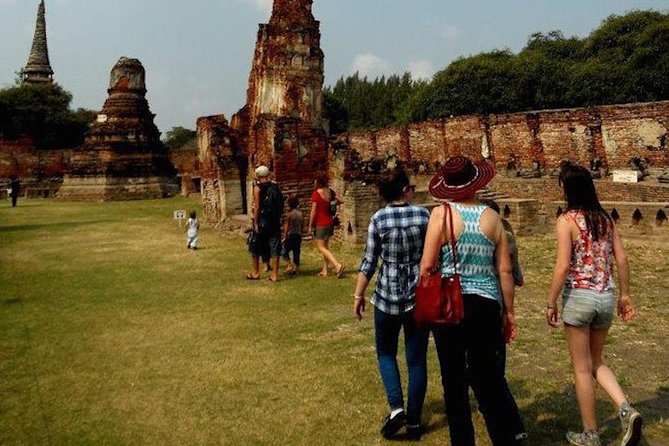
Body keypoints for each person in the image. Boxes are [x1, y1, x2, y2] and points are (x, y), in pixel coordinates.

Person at [420, 155, 521, 446]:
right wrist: (509, 312)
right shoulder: (492, 218)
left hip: (450, 305)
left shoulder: (442, 215)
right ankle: (505, 438)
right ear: (475, 183)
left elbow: (427, 266)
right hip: (486, 304)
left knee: (454, 382)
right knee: (487, 380)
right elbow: (504, 270)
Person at [547, 162, 642, 446]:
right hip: (604, 298)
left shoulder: (566, 221)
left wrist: (550, 301)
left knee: (581, 368)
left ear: (568, 190)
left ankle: (590, 433)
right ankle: (627, 409)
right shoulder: (604, 219)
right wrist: (625, 296)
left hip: (578, 298)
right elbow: (622, 259)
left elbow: (563, 266)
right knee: (596, 361)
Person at [353, 168, 430, 440]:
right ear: (404, 190)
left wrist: (358, 295)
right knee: (416, 360)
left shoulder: (378, 219)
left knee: (386, 352)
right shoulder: (423, 215)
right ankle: (414, 421)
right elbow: (433, 257)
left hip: (387, 296)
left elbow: (369, 262)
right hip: (417, 297)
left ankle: (397, 408)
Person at [247, 165, 284, 282]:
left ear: (258, 175)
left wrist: (256, 223)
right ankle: (274, 274)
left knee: (255, 246)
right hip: (275, 220)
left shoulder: (258, 188)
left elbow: (257, 207)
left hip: (263, 221)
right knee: (275, 246)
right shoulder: (275, 186)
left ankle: (255, 272)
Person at [308, 171, 345, 278]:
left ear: (317, 181)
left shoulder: (316, 193)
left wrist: (310, 225)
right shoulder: (330, 192)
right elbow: (341, 201)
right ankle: (325, 270)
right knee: (326, 247)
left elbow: (313, 211)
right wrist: (332, 204)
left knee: (321, 248)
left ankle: (337, 265)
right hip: (330, 222)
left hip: (321, 223)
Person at [282, 195, 303, 275]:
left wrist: (284, 236)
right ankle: (297, 268)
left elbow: (286, 226)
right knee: (296, 252)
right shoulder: (300, 214)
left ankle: (289, 264)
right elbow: (302, 224)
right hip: (298, 235)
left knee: (284, 251)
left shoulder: (289, 215)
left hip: (291, 235)